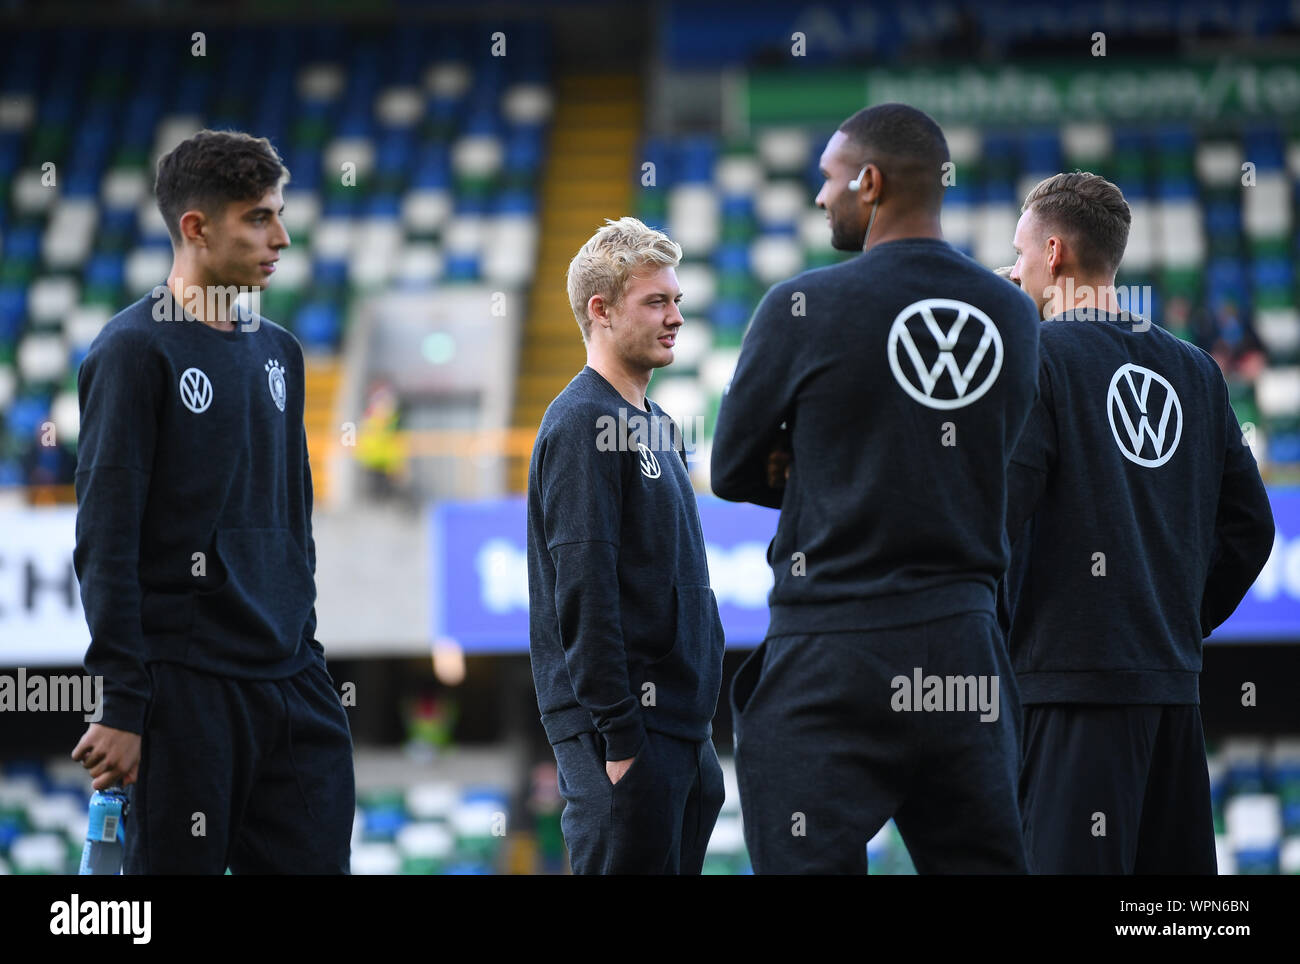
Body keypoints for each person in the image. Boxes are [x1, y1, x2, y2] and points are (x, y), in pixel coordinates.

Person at [711, 103, 1041, 874]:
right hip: (965, 650)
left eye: (829, 181)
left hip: (833, 652)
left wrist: (826, 462)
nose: (821, 198)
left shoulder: (804, 305)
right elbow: (981, 461)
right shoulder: (1013, 315)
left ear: (869, 181)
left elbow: (731, 467)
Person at [71, 129, 355, 874]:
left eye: (279, 214)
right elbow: (105, 541)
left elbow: (295, 521)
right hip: (187, 694)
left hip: (295, 684)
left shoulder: (281, 351)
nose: (283, 238)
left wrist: (308, 651)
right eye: (259, 218)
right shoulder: (132, 351)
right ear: (195, 228)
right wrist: (123, 705)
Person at [1004, 172, 1275, 873]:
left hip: (1067, 692)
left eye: (1022, 253)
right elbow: (1252, 530)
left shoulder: (1036, 360)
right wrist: (1176, 617)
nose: (1015, 269)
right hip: (1172, 693)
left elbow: (994, 517)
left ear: (1055, 253)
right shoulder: (1197, 371)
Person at [526, 216, 726, 874]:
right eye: (656, 302)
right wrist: (619, 734)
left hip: (680, 730)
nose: (675, 318)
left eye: (678, 302)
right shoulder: (581, 420)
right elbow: (584, 587)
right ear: (602, 311)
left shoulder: (659, 424)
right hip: (626, 734)